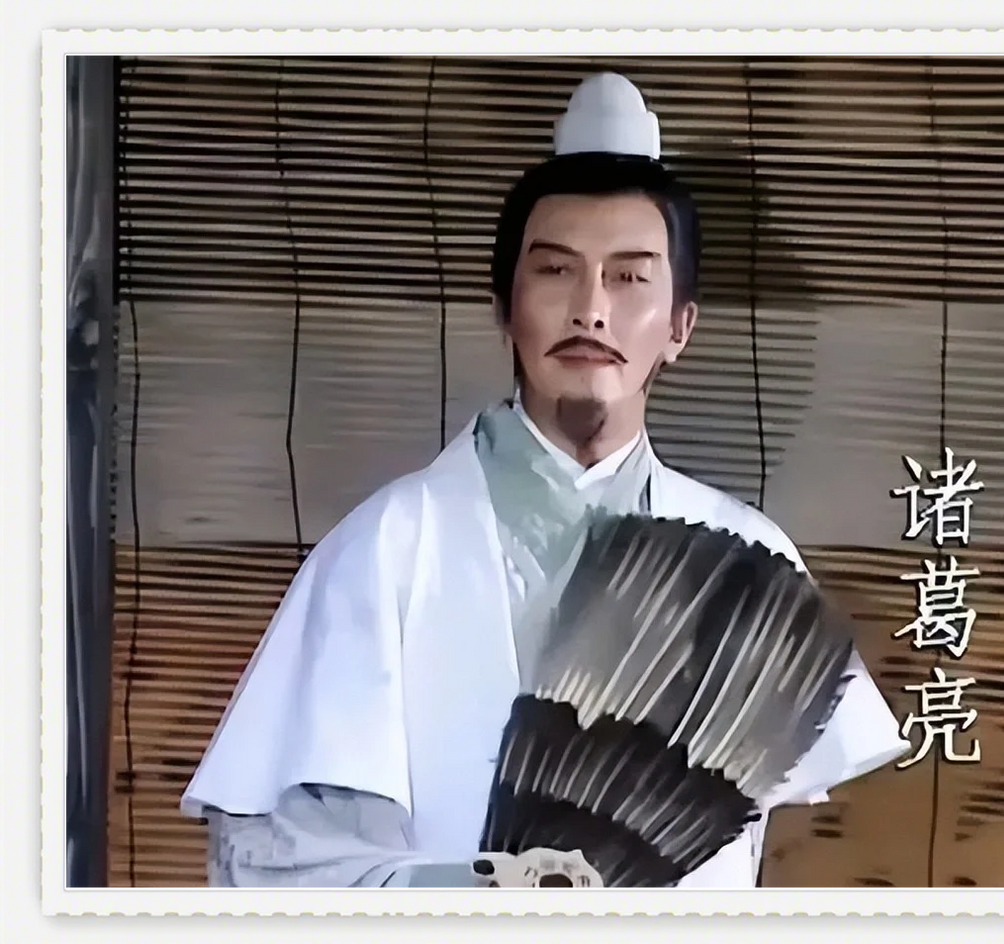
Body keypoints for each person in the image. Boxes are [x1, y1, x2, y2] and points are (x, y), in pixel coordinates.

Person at [181, 72, 908, 891]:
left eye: (630, 278)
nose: (590, 310)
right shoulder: (388, 548)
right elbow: (291, 863)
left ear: (680, 327)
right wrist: (476, 888)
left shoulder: (749, 560)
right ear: (504, 308)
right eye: (557, 271)